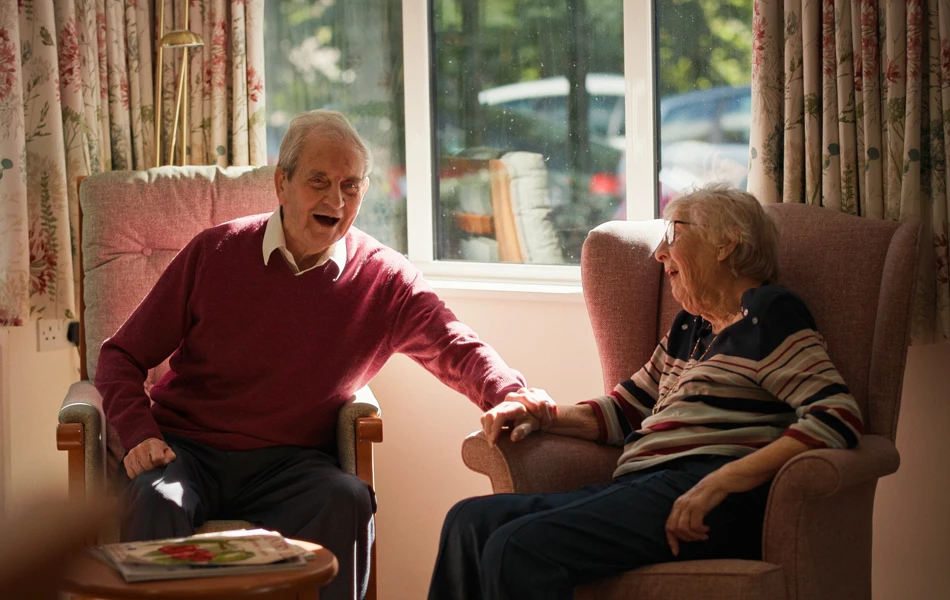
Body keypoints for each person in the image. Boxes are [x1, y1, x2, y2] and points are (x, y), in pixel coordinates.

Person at [95, 110, 556, 600]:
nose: (335, 201)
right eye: (319, 182)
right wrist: (139, 433)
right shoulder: (215, 251)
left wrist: (511, 395)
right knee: (155, 498)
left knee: (347, 498)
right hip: (189, 451)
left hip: (290, 466)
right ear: (282, 183)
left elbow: (456, 346)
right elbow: (120, 355)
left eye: (350, 186)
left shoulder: (385, 280)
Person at [427, 185, 864, 600]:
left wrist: (720, 482)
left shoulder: (768, 313)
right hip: (641, 487)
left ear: (726, 242)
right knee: (468, 521)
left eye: (674, 234)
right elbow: (624, 411)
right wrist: (543, 413)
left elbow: (837, 416)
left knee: (517, 548)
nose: (660, 254)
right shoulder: (690, 328)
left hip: (704, 496)